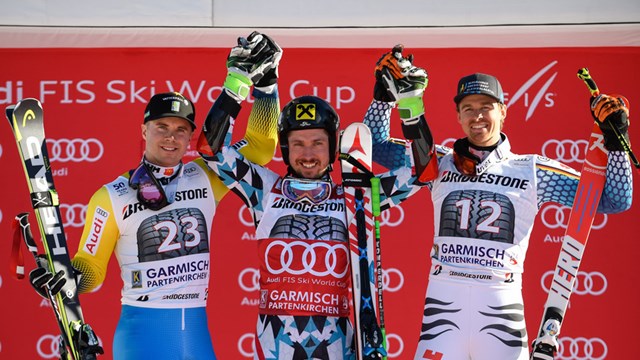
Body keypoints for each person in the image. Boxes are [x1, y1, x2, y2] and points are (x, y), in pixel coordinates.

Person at [366, 47, 634, 360]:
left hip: (499, 310)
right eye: (468, 108)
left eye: (486, 107)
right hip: (443, 307)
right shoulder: (437, 162)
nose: (477, 115)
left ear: (503, 111)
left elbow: (614, 200)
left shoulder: (532, 170)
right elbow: (375, 146)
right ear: (458, 116)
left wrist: (617, 140)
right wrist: (383, 94)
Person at [29, 31, 282, 359]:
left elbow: (260, 149)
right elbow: (92, 267)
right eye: (161, 127)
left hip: (194, 332)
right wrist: (69, 278)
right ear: (144, 130)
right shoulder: (112, 196)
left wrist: (266, 86)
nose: (170, 138)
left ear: (191, 136)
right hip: (142, 332)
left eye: (180, 130)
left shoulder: (207, 177)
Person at [200, 73, 434, 356]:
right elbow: (212, 151)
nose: (307, 153)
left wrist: (406, 103)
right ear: (285, 148)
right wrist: (236, 82)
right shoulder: (264, 189)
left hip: (338, 343)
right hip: (276, 343)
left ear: (333, 147)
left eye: (317, 143)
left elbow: (424, 171)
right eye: (298, 143)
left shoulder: (356, 196)